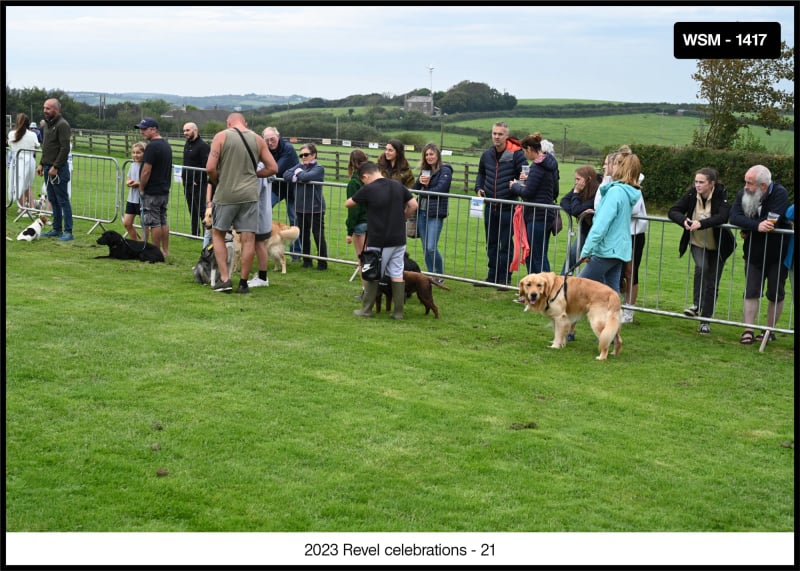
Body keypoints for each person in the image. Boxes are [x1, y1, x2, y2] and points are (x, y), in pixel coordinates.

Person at [206, 112, 277, 293]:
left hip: (226, 193)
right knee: (248, 239)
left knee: (218, 234)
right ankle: (243, 283)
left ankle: (225, 279)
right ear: (245, 122)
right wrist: (254, 175)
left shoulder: (221, 136)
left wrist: (217, 181)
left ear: (228, 122)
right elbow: (273, 168)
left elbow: (210, 168)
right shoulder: (258, 140)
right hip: (250, 195)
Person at [346, 161, 418, 319]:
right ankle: (398, 312)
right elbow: (413, 204)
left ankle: (366, 310)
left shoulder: (369, 188)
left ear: (365, 176)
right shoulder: (398, 185)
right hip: (399, 238)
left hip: (379, 239)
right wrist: (402, 218)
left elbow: (349, 203)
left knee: (373, 272)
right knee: (397, 272)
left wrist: (363, 194)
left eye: (363, 180)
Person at [668, 168, 735, 333]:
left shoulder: (720, 194)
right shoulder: (691, 194)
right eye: (696, 181)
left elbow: (723, 216)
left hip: (719, 246)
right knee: (701, 267)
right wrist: (683, 220)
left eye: (701, 182)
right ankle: (697, 305)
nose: (697, 185)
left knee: (712, 282)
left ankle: (705, 320)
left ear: (711, 184)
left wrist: (701, 223)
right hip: (697, 242)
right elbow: (673, 211)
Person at [728, 164, 790, 345]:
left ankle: (769, 330)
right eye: (746, 182)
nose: (746, 186)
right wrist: (755, 226)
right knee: (751, 290)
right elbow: (734, 216)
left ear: (763, 185)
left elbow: (771, 221)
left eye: (750, 183)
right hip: (753, 252)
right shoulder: (744, 194)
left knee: (775, 292)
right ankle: (748, 330)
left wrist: (750, 226)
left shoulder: (779, 193)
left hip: (778, 253)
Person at [578, 152, 642, 293]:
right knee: (611, 293)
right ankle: (612, 315)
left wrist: (586, 250)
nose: (610, 167)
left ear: (621, 167)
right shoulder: (626, 191)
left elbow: (601, 225)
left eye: (614, 163)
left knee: (576, 286)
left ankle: (562, 314)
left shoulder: (616, 192)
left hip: (607, 250)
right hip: (617, 249)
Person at [474, 121, 527, 287]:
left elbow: (525, 174)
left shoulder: (517, 154)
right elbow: (481, 173)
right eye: (494, 133)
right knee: (491, 243)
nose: (496, 137)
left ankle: (504, 278)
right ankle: (492, 276)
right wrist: (479, 187)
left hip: (508, 206)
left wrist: (518, 185)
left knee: (506, 243)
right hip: (490, 206)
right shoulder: (487, 154)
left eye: (500, 134)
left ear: (506, 136)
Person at [509, 133, 559, 275]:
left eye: (525, 151)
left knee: (535, 255)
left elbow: (528, 192)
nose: (525, 155)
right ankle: (547, 288)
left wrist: (514, 186)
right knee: (541, 254)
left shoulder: (538, 166)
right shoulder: (547, 164)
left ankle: (538, 288)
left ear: (530, 149)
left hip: (537, 216)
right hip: (544, 214)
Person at [283, 144, 327, 270]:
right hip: (300, 207)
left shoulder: (319, 168)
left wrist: (297, 175)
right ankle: (307, 261)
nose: (303, 157)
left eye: (306, 154)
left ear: (313, 155)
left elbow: (306, 177)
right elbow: (286, 174)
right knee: (303, 235)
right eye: (301, 155)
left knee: (318, 235)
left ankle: (322, 262)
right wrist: (298, 174)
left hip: (315, 208)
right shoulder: (300, 166)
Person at [412, 143, 452, 280]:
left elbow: (441, 189)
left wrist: (425, 191)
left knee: (431, 247)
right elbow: (414, 188)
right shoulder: (425, 171)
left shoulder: (445, 170)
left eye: (431, 154)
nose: (429, 157)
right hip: (422, 212)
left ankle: (439, 274)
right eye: (426, 154)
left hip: (435, 213)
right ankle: (430, 275)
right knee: (425, 248)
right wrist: (420, 182)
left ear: (437, 155)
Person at [135, 117, 173, 257]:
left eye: (144, 129)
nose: (142, 132)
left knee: (153, 222)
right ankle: (165, 251)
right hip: (163, 189)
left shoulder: (152, 146)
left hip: (152, 190)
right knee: (163, 219)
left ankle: (155, 252)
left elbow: (146, 170)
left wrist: (141, 187)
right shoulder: (165, 145)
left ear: (154, 129)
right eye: (141, 129)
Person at [263, 126, 301, 259]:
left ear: (278, 137)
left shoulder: (288, 148)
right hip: (276, 188)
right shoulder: (265, 148)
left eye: (272, 139)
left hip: (292, 189)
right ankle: (264, 243)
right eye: (267, 140)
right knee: (264, 210)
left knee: (294, 219)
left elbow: (276, 168)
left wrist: (267, 170)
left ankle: (296, 254)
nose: (270, 143)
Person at [38, 98, 73, 241]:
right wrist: (41, 163)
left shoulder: (62, 125)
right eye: (44, 108)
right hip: (47, 167)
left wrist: (56, 166)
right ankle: (56, 229)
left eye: (48, 108)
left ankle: (68, 231)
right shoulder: (46, 125)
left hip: (58, 169)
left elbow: (65, 148)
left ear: (56, 110)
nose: (45, 110)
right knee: (52, 198)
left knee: (63, 199)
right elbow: (47, 146)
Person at [560, 165, 601, 275]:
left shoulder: (598, 192)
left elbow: (576, 209)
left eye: (578, 179)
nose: (576, 182)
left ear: (588, 179)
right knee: (573, 254)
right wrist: (577, 211)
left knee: (594, 261)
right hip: (585, 229)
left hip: (597, 232)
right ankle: (563, 280)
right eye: (575, 179)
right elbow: (563, 201)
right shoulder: (578, 188)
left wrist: (576, 196)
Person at [345, 149, 370, 298]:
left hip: (360, 224)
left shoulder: (354, 183)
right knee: (371, 258)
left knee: (363, 260)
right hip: (371, 223)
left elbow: (353, 210)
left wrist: (349, 231)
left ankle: (366, 291)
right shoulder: (369, 181)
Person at [181, 122, 210, 237]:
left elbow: (206, 166)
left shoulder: (203, 146)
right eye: (184, 130)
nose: (185, 133)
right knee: (191, 208)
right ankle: (194, 233)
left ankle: (206, 234)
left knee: (201, 209)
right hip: (187, 182)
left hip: (198, 183)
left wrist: (197, 180)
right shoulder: (187, 144)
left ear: (195, 130)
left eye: (187, 130)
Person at [7, 113, 40, 210]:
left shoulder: (12, 134)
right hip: (29, 160)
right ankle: (30, 207)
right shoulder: (32, 134)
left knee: (19, 183)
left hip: (18, 160)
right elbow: (37, 146)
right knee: (27, 184)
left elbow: (10, 145)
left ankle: (23, 207)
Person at [122, 141, 146, 241]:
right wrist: (129, 182)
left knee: (144, 225)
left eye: (138, 153)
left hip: (143, 199)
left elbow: (149, 182)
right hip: (132, 198)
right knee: (127, 223)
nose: (135, 155)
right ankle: (134, 243)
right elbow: (128, 178)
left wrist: (138, 184)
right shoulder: (132, 165)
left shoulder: (146, 166)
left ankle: (143, 245)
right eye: (134, 152)